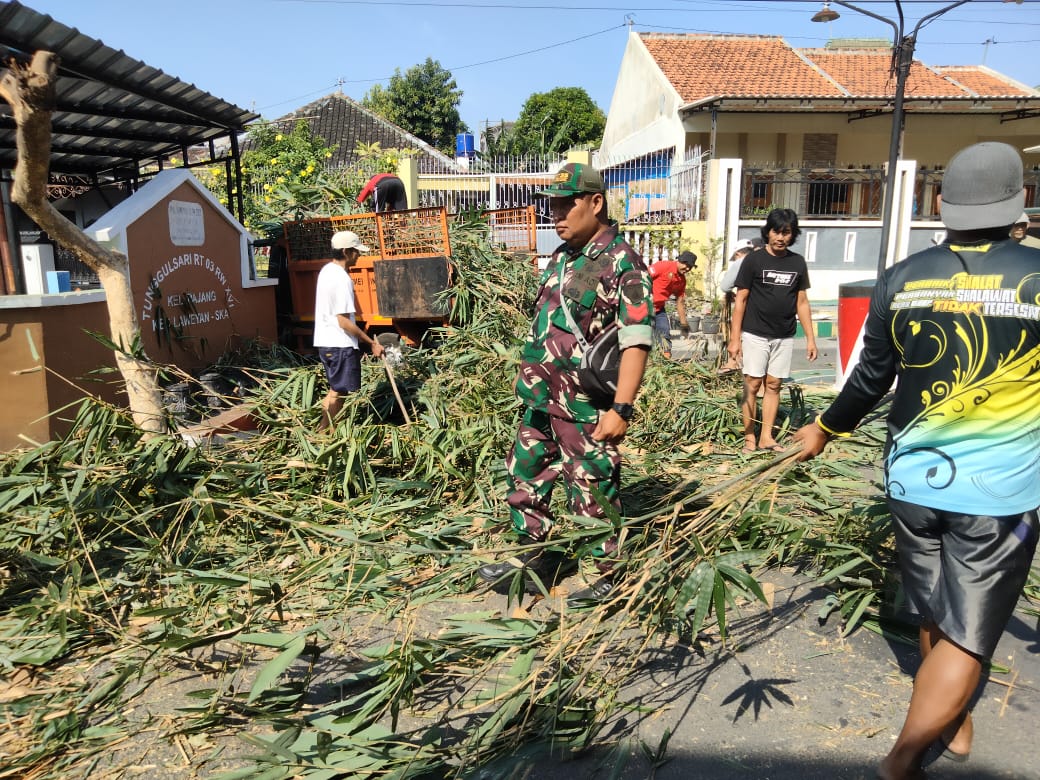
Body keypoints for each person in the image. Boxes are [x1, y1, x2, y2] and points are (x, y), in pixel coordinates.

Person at [792, 142, 1040, 780]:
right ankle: (902, 758)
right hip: (995, 489)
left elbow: (869, 375)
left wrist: (824, 428)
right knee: (969, 630)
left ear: (942, 204)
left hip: (911, 478)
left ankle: (952, 724)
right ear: (1020, 203)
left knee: (935, 605)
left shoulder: (903, 276)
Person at [476, 162, 653, 601]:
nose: (556, 211)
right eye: (552, 203)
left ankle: (609, 573)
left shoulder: (622, 262)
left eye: (566, 202)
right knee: (526, 472)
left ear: (596, 203)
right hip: (541, 395)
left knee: (591, 483)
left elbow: (636, 340)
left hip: (585, 403)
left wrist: (622, 409)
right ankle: (536, 556)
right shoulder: (563, 257)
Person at [728, 209, 817, 453]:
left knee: (775, 384)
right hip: (755, 333)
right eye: (776, 231)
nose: (780, 237)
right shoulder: (754, 260)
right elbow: (741, 300)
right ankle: (749, 437)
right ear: (767, 232)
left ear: (793, 235)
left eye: (786, 233)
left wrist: (810, 338)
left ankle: (766, 436)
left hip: (784, 334)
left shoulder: (797, 263)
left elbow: (802, 302)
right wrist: (734, 339)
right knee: (753, 383)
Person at [313, 230, 385, 430]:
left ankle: (324, 429)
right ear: (346, 251)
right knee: (339, 392)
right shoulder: (342, 279)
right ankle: (324, 432)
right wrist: (371, 343)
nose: (359, 255)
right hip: (339, 344)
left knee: (335, 389)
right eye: (356, 251)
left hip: (326, 342)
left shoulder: (326, 270)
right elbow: (343, 322)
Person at [718, 238, 763, 375]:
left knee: (741, 334)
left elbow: (725, 286)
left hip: (747, 306)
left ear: (738, 253)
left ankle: (734, 362)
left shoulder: (741, 262)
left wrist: (730, 293)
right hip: (765, 307)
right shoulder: (764, 261)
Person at [650, 250, 696, 358]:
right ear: (680, 261)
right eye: (686, 265)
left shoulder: (681, 280)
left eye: (690, 267)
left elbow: (680, 302)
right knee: (643, 339)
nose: (688, 269)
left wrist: (684, 327)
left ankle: (666, 362)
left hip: (659, 309)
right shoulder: (663, 266)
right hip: (643, 307)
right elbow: (642, 278)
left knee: (664, 335)